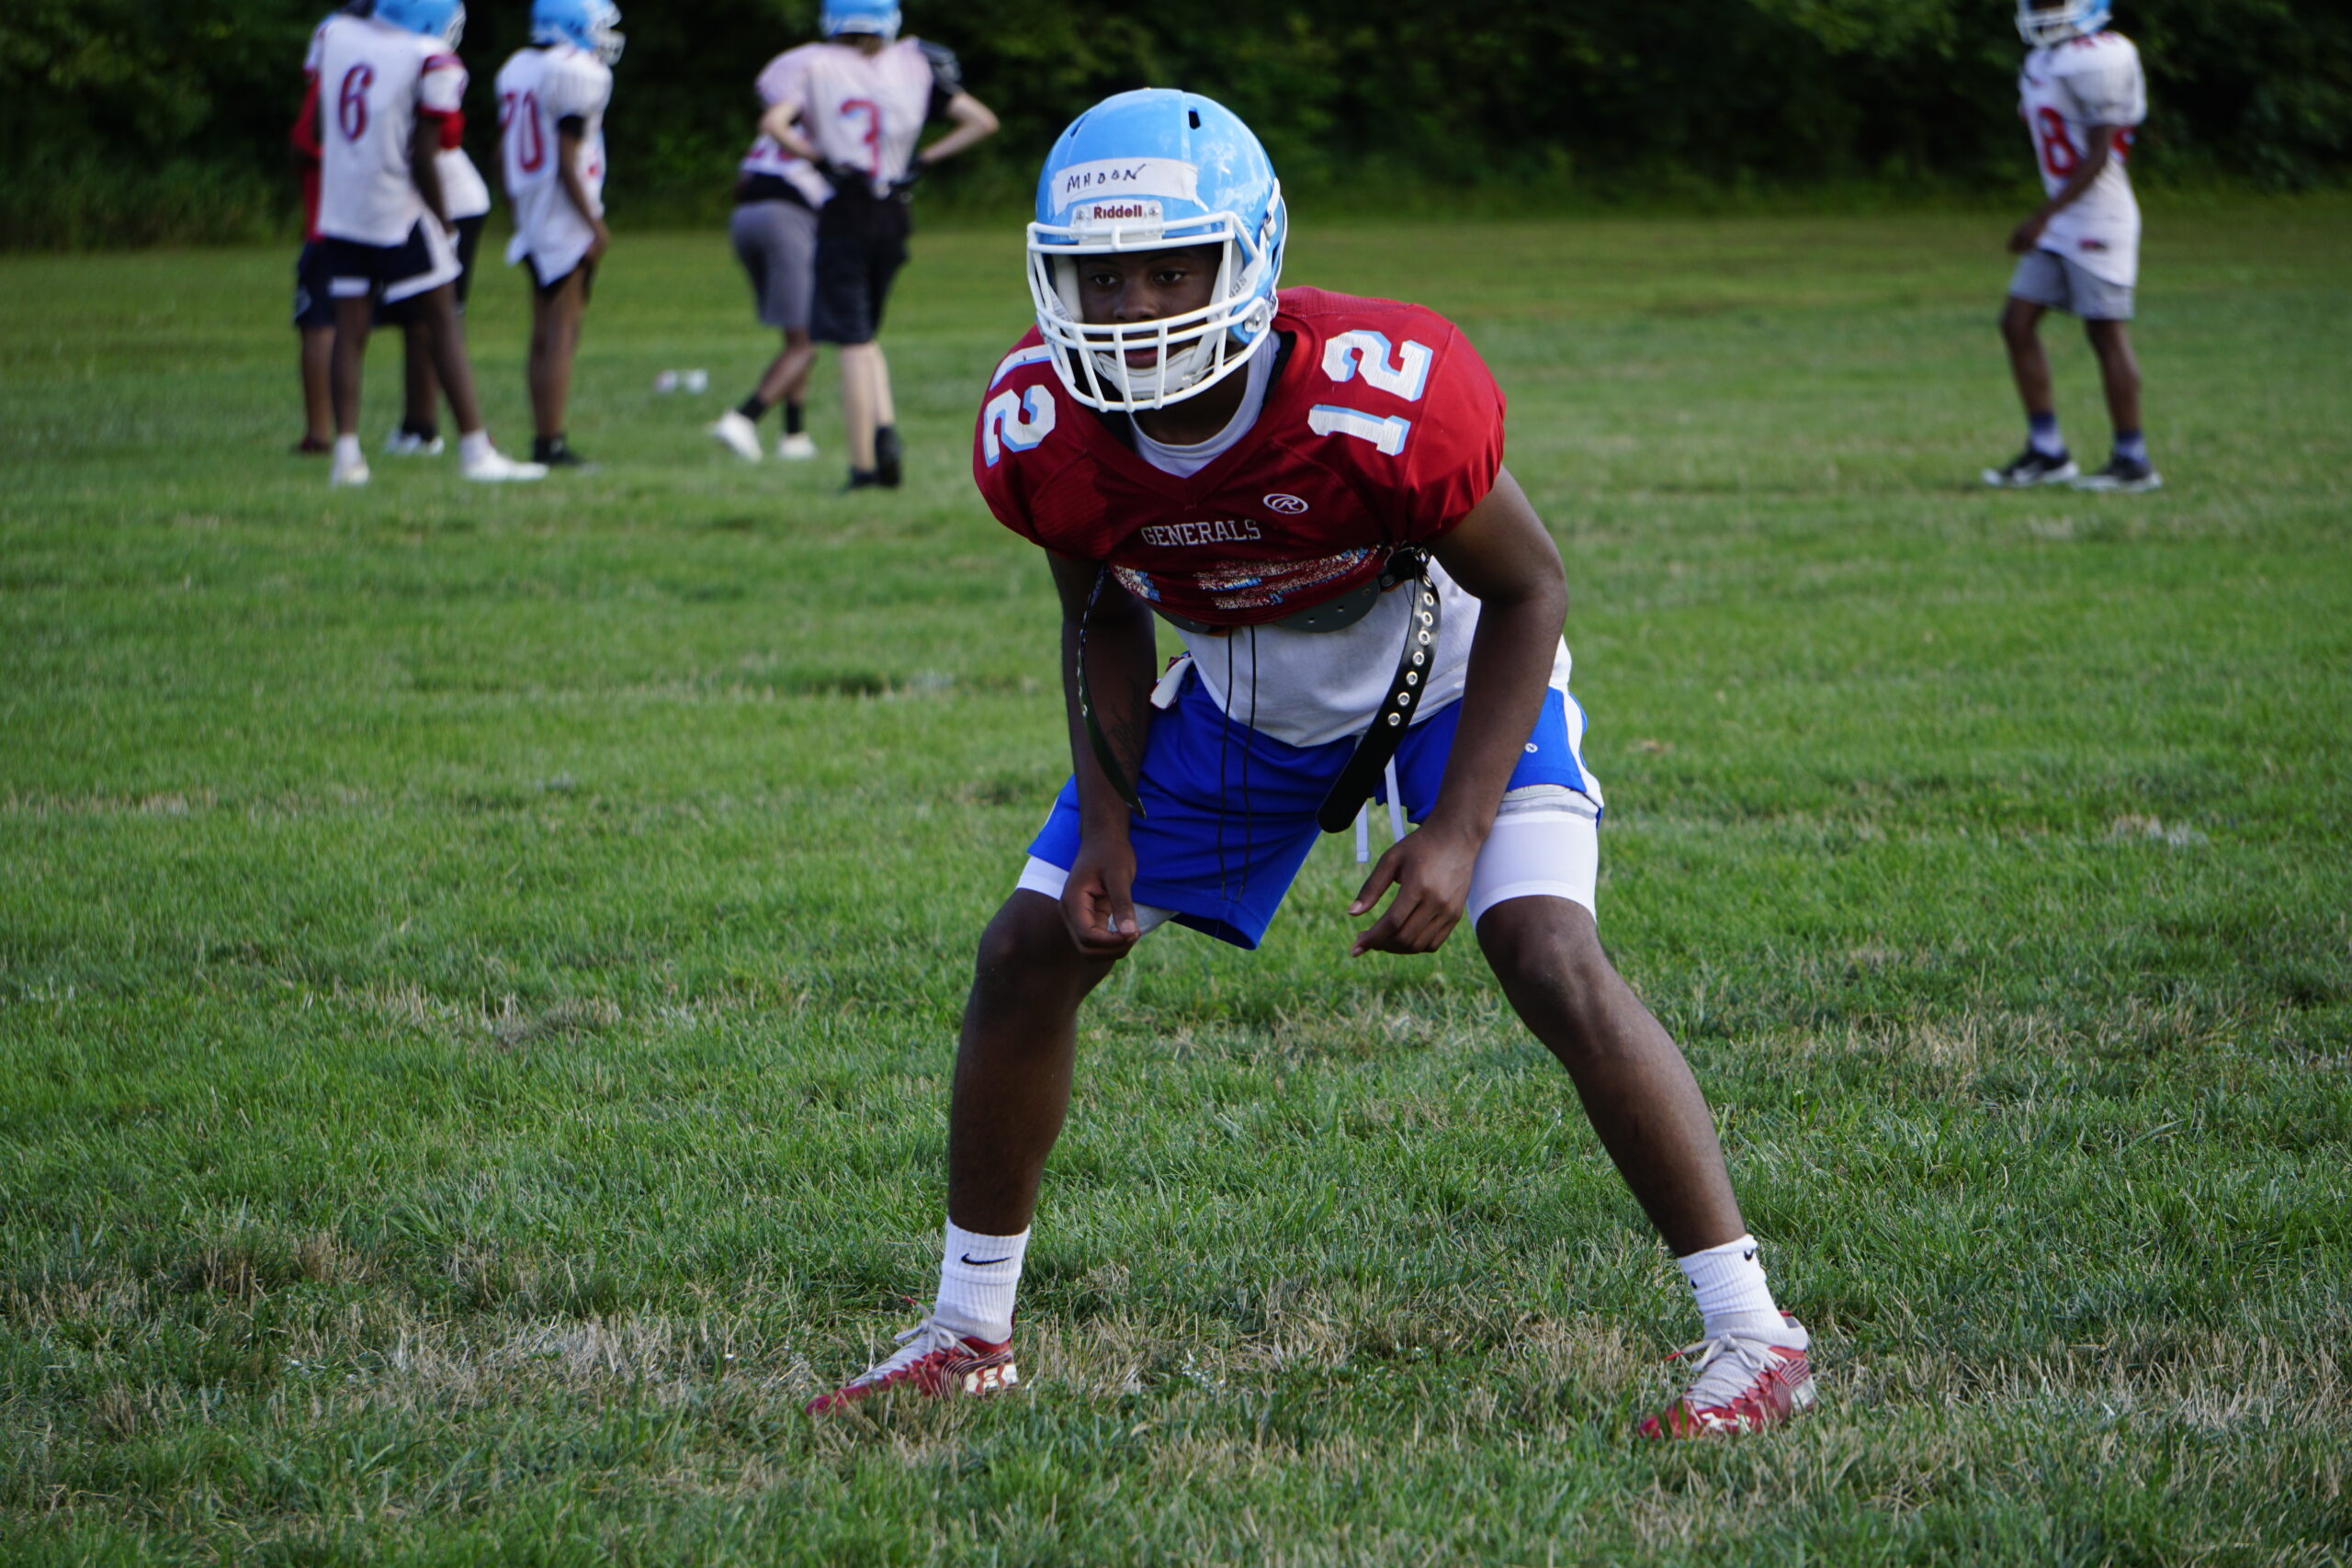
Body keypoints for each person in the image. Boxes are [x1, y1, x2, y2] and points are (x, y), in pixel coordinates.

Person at [805, 90, 1818, 1440]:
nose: (1138, 303)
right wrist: (1107, 813)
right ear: (1051, 274)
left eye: (1175, 265)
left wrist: (1456, 830)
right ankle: (967, 1326)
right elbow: (1101, 607)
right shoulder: (1046, 427)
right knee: (1028, 950)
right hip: (1244, 691)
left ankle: (1755, 1331)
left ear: (1252, 255)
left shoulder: (1379, 394)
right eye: (1102, 274)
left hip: (1444, 664)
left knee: (1545, 946)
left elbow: (1531, 590)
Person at [727, 0, 997, 490]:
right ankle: (886, 428)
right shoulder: (912, 64)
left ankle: (863, 464)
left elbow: (773, 124)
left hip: (845, 206)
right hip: (894, 208)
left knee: (851, 341)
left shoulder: (813, 62)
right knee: (867, 331)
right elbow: (981, 120)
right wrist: (925, 160)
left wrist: (816, 157)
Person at [313, 0, 542, 485]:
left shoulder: (335, 35)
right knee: (443, 324)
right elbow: (423, 154)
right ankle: (476, 450)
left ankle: (347, 457)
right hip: (399, 207)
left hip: (344, 205)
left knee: (350, 328)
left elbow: (318, 125)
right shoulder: (429, 58)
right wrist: (444, 221)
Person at [1983, 0, 2159, 492]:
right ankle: (2048, 451)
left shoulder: (2102, 54)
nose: (2041, 10)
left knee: (2105, 334)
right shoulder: (2044, 59)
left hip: (2098, 216)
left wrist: (2043, 216)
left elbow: (2101, 153)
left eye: (2052, 2)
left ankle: (2133, 460)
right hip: (2062, 219)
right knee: (2016, 323)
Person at [497, 0, 621, 468]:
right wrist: (594, 223)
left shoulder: (519, 67)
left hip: (534, 208)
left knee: (544, 332)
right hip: (563, 210)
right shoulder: (576, 70)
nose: (605, 36)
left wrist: (517, 212)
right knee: (563, 332)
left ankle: (543, 437)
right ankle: (550, 442)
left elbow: (502, 152)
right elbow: (568, 158)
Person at [707, 73, 834, 463]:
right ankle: (743, 418)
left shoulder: (785, 128)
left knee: (796, 334)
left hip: (745, 218)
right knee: (806, 341)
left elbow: (743, 180)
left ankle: (794, 435)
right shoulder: (837, 123)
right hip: (788, 218)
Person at [379, 130, 496, 457]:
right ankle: (418, 427)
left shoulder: (424, 83)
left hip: (446, 201)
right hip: (426, 200)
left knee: (437, 319)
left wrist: (444, 222)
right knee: (418, 322)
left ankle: (455, 430)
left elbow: (429, 144)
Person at [289, 27, 336, 457]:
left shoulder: (330, 80)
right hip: (380, 219)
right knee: (432, 321)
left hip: (329, 226)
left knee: (319, 325)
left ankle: (321, 433)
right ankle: (425, 428)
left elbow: (306, 146)